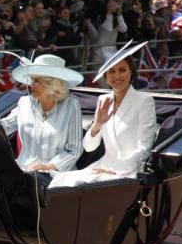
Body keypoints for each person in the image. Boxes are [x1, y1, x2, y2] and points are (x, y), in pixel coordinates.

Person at [49, 41, 157, 188]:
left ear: (131, 71)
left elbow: (144, 149)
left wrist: (115, 169)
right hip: (103, 166)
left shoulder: (144, 101)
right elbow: (89, 147)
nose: (117, 76)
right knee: (60, 180)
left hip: (129, 171)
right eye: (111, 71)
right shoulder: (103, 99)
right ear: (105, 76)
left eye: (122, 70)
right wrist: (98, 124)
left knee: (78, 185)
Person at [0, 54, 84, 186]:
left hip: (56, 176)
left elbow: (74, 150)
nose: (31, 84)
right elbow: (0, 129)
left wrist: (49, 166)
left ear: (53, 84)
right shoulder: (24, 103)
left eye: (37, 80)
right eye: (32, 79)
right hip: (23, 171)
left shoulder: (71, 106)